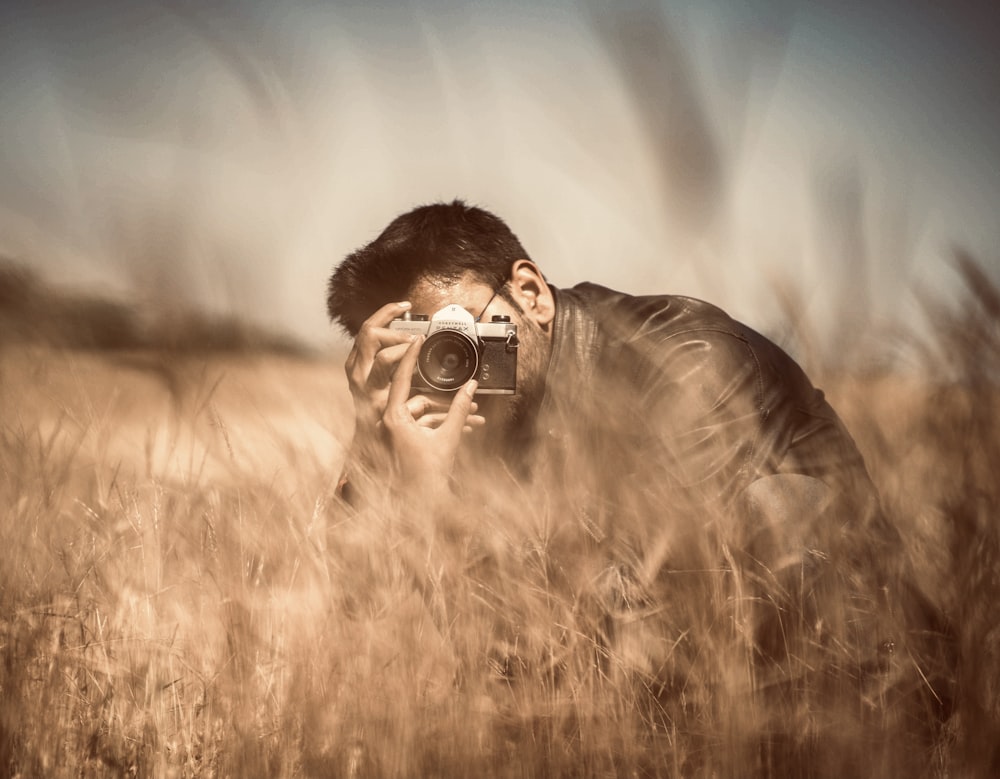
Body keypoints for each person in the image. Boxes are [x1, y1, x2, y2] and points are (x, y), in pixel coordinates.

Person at [326, 199, 952, 775]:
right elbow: (352, 625)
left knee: (785, 508)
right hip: (672, 703)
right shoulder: (450, 411)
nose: (442, 366)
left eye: (455, 335)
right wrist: (374, 446)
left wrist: (435, 511)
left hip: (861, 684)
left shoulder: (681, 360)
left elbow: (653, 639)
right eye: (413, 349)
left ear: (529, 294)